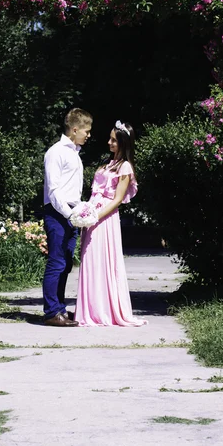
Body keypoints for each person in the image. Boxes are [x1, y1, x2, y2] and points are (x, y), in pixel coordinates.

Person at [75, 121, 148, 327]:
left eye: (114, 140)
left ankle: (104, 310)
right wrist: (86, 212)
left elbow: (117, 199)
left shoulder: (125, 166)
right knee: (90, 260)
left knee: (102, 260)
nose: (109, 142)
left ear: (124, 143)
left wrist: (95, 216)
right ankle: (90, 309)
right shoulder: (109, 163)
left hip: (104, 218)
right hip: (93, 214)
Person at [42, 108, 92, 326]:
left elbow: (71, 188)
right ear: (74, 129)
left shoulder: (74, 152)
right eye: (86, 131)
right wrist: (69, 214)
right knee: (56, 261)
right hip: (58, 213)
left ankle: (59, 308)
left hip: (71, 213)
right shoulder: (56, 152)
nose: (89, 135)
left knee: (66, 264)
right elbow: (53, 191)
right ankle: (51, 312)